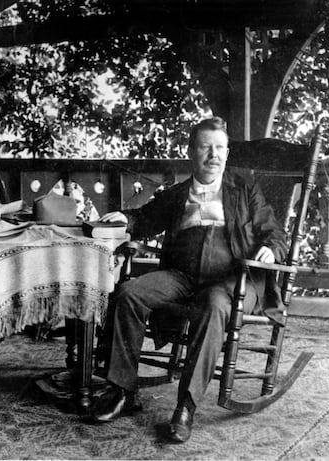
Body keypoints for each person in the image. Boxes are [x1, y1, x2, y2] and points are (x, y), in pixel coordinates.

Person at [93, 117, 287, 443]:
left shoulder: (244, 190)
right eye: (205, 147)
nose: (214, 155)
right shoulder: (180, 193)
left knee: (213, 306)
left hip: (231, 280)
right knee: (128, 294)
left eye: (220, 148)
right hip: (181, 276)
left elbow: (275, 231)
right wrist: (126, 217)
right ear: (191, 151)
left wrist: (270, 248)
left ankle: (186, 405)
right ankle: (122, 391)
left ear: (227, 152)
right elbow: (146, 217)